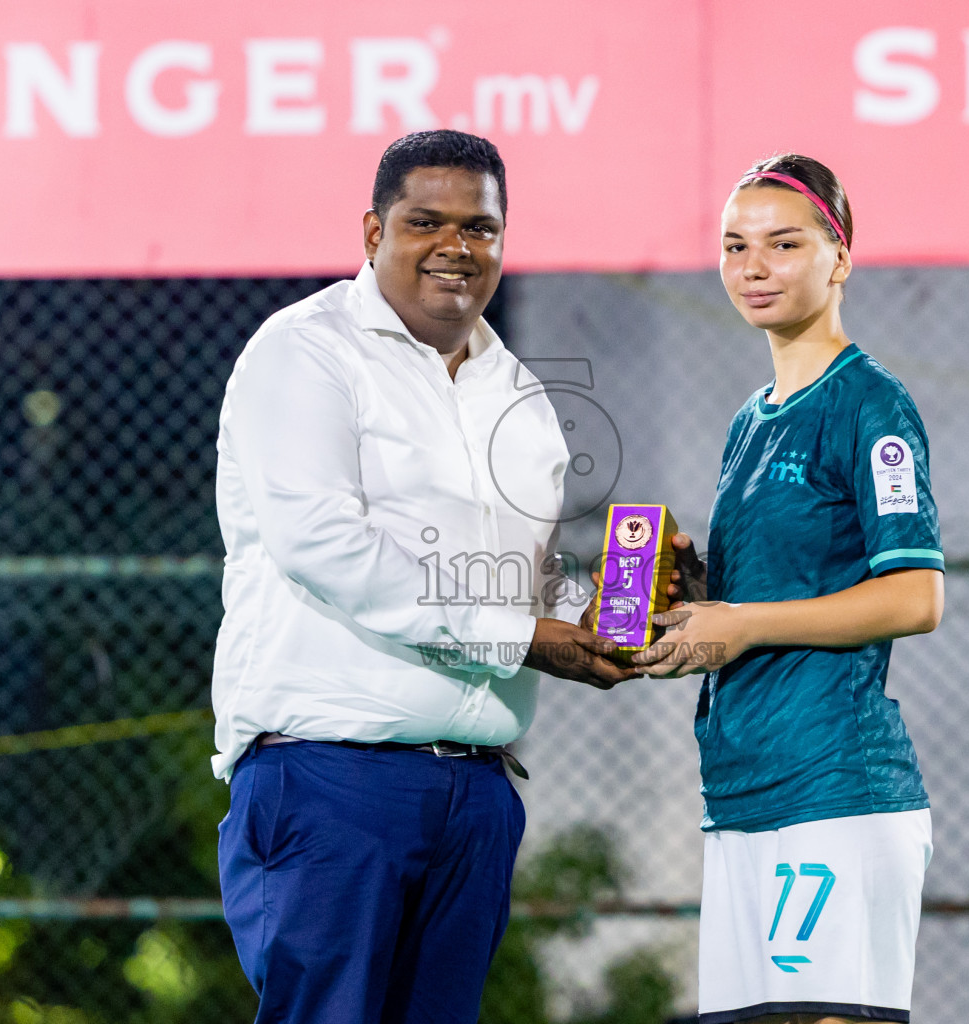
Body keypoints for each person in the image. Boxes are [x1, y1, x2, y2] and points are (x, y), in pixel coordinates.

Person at [212, 129, 636, 1024]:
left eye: (480, 228)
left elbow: (535, 573)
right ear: (372, 233)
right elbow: (324, 544)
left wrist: (606, 616)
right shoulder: (306, 351)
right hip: (332, 779)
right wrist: (526, 637)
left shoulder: (516, 392)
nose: (456, 246)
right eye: (425, 222)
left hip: (478, 792)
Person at [634, 154, 945, 1024]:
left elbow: (916, 597)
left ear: (839, 257)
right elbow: (760, 603)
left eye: (782, 243)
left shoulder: (870, 406)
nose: (753, 266)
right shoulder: (750, 418)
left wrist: (740, 622)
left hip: (833, 788)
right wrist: (693, 596)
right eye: (735, 246)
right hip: (743, 791)